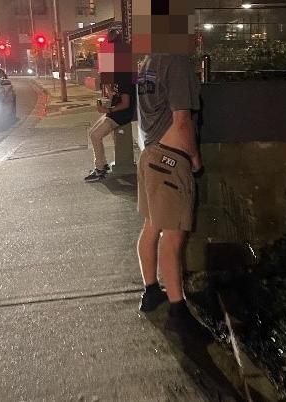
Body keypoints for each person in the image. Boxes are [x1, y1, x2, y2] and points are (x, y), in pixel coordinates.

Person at [136, 53, 202, 330]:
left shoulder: (148, 63)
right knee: (172, 236)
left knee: (152, 226)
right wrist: (194, 156)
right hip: (171, 158)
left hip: (150, 153)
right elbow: (182, 120)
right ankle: (177, 308)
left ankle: (151, 291)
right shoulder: (177, 62)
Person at [84, 78, 136, 182]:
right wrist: (109, 88)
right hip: (114, 113)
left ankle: (100, 169)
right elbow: (115, 96)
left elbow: (126, 103)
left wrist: (108, 110)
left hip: (121, 116)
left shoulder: (124, 80)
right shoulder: (118, 79)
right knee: (92, 133)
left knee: (95, 135)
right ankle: (102, 164)